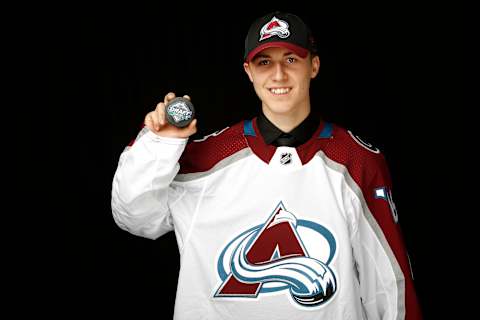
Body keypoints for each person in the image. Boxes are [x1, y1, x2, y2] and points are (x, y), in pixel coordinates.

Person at [111, 11, 422, 319]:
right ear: (248, 71)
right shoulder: (205, 158)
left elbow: (390, 288)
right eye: (264, 63)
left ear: (313, 66)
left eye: (291, 60)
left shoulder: (357, 161)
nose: (278, 75)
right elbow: (135, 217)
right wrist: (159, 144)